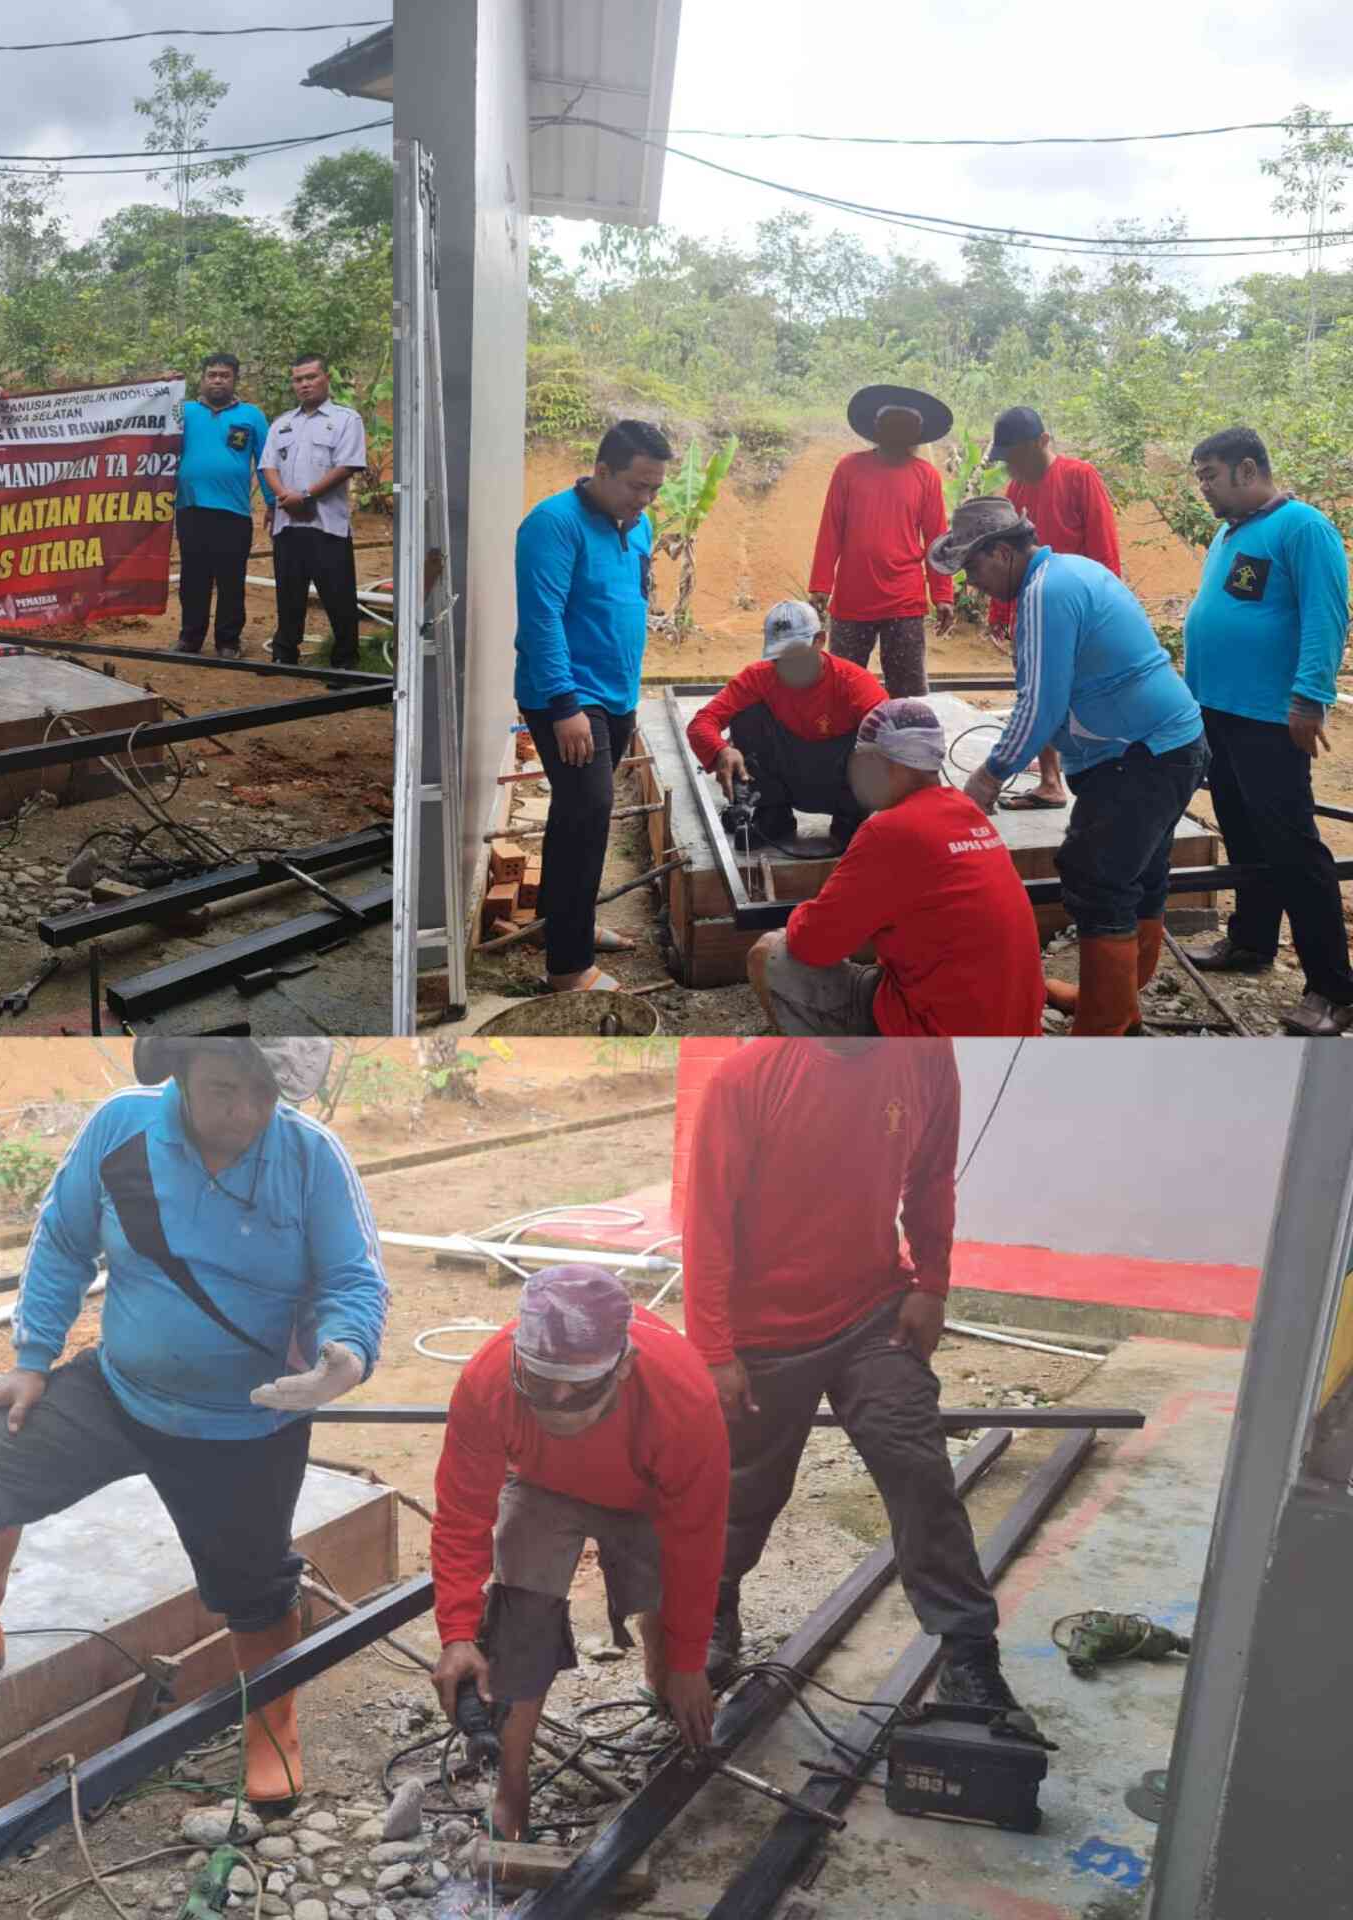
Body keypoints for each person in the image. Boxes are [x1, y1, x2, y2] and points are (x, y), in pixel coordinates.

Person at [0, 1039, 387, 1812]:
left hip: (246, 1419)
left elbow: (354, 1278)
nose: (245, 1112)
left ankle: (272, 1723)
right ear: (179, 1073)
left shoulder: (312, 1158)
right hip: (124, 1388)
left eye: (262, 1093)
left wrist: (346, 1356)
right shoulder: (122, 1129)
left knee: (251, 1582)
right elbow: (63, 1240)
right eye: (224, 1088)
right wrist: (33, 1358)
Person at [682, 1038, 1038, 1730]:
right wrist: (714, 1349)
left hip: (873, 1311)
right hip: (763, 1330)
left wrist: (931, 1282)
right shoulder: (747, 1077)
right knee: (740, 1492)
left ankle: (970, 1653)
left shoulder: (926, 1053)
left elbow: (932, 1176)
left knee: (917, 1465)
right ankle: (710, 1611)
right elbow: (707, 1220)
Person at [429, 1265, 729, 1841]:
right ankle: (511, 1789)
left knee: (668, 1625)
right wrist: (459, 1633)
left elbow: (696, 1540)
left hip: (645, 1496)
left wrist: (690, 1661)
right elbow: (463, 1514)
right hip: (542, 1487)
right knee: (520, 1618)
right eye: (541, 1383)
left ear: (623, 1366)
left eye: (581, 1386)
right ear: (519, 1355)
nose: (560, 1398)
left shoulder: (683, 1398)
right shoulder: (487, 1381)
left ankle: (662, 1683)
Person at [941, 496, 1211, 1036]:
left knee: (1097, 877)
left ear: (1000, 552)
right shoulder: (1070, 571)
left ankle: (1103, 1028)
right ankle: (1116, 1004)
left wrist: (988, 777)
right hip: (1168, 745)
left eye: (972, 567)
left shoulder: (1046, 592)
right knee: (1139, 874)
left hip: (1141, 755)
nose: (972, 582)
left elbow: (1040, 702)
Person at [1179, 427, 1353, 1037]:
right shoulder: (1229, 534)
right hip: (1218, 712)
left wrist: (1310, 699)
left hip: (1270, 717)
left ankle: (1332, 989)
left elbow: (1327, 614)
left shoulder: (1303, 528)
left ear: (1248, 470)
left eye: (1210, 477)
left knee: (1293, 848)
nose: (1203, 489)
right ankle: (1250, 943)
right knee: (1244, 835)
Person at [745, 700, 1045, 1037]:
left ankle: (845, 1076)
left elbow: (812, 944)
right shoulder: (966, 810)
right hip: (1011, 1030)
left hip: (939, 1049)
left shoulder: (890, 830)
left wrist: (808, 912)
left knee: (769, 953)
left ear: (880, 763)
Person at [513, 419, 672, 993]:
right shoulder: (552, 525)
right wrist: (564, 704)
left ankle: (560, 925)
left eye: (655, 488)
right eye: (637, 485)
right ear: (602, 471)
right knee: (587, 816)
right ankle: (568, 967)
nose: (646, 499)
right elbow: (540, 619)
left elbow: (628, 596)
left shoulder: (638, 523)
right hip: (572, 699)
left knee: (576, 816)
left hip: (615, 693)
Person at [983, 408, 1125, 812]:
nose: (1013, 466)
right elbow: (1002, 559)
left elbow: (1104, 548)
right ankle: (1050, 781)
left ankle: (1105, 778)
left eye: (1018, 456)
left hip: (1082, 613)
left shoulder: (1080, 476)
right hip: (1031, 613)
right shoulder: (1015, 492)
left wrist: (1106, 611)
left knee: (1089, 695)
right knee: (1035, 692)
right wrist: (999, 612)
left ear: (1043, 442)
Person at [686, 599, 887, 849]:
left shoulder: (854, 682)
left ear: (820, 641)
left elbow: (896, 737)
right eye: (779, 658)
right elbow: (701, 723)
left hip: (842, 783)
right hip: (787, 776)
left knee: (879, 735)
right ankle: (773, 812)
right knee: (746, 714)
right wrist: (720, 750)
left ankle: (851, 817)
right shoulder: (758, 677)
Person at [809, 384, 956, 696]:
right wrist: (821, 584)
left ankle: (906, 744)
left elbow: (936, 538)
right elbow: (830, 528)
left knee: (908, 693)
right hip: (852, 598)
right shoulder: (849, 468)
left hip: (903, 600)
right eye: (893, 423)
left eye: (907, 425)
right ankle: (839, 745)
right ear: (877, 428)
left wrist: (943, 593)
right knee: (839, 689)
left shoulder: (926, 475)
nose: (899, 431)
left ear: (917, 432)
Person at [260, 353, 367, 672]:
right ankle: (284, 654)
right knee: (288, 594)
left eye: (311, 377)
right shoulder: (282, 424)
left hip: (327, 527)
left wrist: (306, 496)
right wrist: (284, 496)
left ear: (326, 378)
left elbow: (347, 464)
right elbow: (268, 465)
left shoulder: (347, 420)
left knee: (338, 596)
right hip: (287, 525)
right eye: (298, 379)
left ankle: (345, 661)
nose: (304, 384)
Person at [171, 352, 275, 658]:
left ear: (235, 380)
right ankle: (190, 638)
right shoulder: (182, 412)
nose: (218, 380)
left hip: (234, 512)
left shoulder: (252, 416)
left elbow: (266, 462)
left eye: (224, 375)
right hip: (190, 509)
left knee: (231, 579)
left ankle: (228, 641)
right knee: (193, 578)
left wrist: (271, 501)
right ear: (202, 378)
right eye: (212, 374)